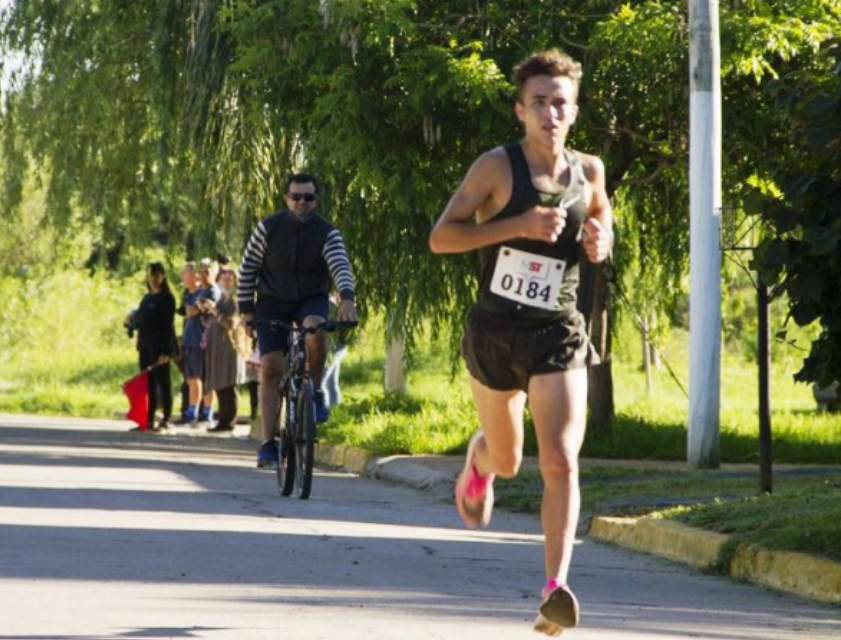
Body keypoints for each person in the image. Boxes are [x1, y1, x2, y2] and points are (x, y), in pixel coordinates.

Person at [428, 49, 613, 637]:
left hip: (557, 332)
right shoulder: (495, 168)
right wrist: (518, 226)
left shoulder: (590, 171)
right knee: (509, 459)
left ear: (574, 110)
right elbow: (442, 238)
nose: (550, 113)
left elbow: (603, 218)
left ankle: (555, 591)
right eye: (539, 103)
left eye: (560, 103)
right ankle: (479, 460)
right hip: (495, 333)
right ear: (520, 110)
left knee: (559, 459)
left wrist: (599, 242)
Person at [238, 173, 358, 469]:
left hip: (310, 298)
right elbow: (248, 267)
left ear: (316, 200)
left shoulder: (327, 232)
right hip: (271, 301)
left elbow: (340, 264)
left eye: (308, 197)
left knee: (316, 331)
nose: (302, 202)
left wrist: (346, 297)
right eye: (296, 197)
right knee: (271, 368)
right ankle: (268, 443)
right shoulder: (268, 228)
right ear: (286, 198)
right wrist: (246, 309)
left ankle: (314, 392)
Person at [126, 262, 177, 431]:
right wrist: (130, 324)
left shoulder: (167, 299)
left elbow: (168, 326)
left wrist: (166, 351)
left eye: (157, 275)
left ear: (163, 277)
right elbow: (141, 321)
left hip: (160, 346)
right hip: (145, 346)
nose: (154, 279)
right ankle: (148, 419)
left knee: (163, 383)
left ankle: (166, 418)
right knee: (148, 383)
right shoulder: (147, 298)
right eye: (151, 275)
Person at [202, 266, 248, 433]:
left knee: (229, 384)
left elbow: (231, 323)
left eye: (230, 278)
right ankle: (223, 419)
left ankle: (229, 420)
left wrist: (214, 310)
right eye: (224, 278)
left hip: (230, 347)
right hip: (218, 348)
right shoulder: (221, 299)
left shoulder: (234, 301)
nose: (227, 280)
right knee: (220, 384)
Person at [175, 259, 221, 425]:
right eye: (201, 272)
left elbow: (195, 310)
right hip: (192, 338)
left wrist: (196, 308)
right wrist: (196, 307)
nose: (202, 275)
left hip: (204, 340)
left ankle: (203, 413)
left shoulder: (212, 291)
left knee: (202, 378)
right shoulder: (198, 292)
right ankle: (193, 411)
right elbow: (189, 310)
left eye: (206, 272)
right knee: (192, 378)